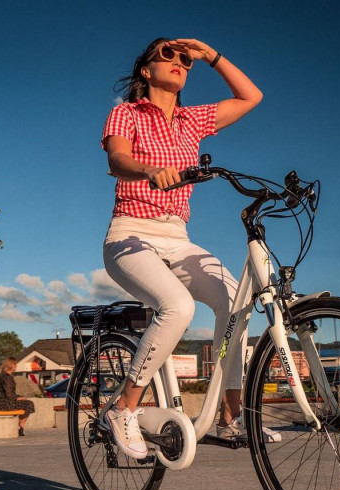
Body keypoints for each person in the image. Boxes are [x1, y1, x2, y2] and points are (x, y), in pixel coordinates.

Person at [100, 37, 280, 460]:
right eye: (168, 54)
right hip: (130, 234)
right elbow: (116, 160)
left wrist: (211, 54)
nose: (180, 62)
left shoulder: (192, 119)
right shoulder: (126, 112)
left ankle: (230, 416)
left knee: (236, 301)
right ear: (146, 70)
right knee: (178, 307)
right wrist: (148, 170)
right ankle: (124, 408)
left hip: (177, 237)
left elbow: (251, 96)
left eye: (185, 58)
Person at [0, 357, 36, 436]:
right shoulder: (6, 377)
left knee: (28, 404)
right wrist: (18, 398)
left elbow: (10, 393)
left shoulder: (6, 376)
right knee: (29, 404)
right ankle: (20, 426)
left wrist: (19, 397)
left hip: (4, 402)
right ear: (11, 365)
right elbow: (9, 393)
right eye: (15, 364)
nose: (16, 366)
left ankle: (20, 426)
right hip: (4, 404)